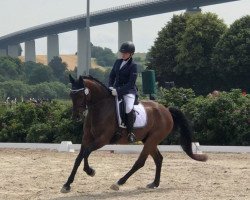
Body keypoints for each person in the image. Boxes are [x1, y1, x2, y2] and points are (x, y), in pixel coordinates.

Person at [109, 41, 138, 143]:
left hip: (129, 91)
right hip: (116, 89)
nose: (123, 54)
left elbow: (131, 83)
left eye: (125, 53)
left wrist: (119, 91)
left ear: (131, 54)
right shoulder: (117, 62)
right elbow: (112, 75)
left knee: (128, 107)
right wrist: (110, 86)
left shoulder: (133, 65)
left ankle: (130, 133)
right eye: (122, 53)